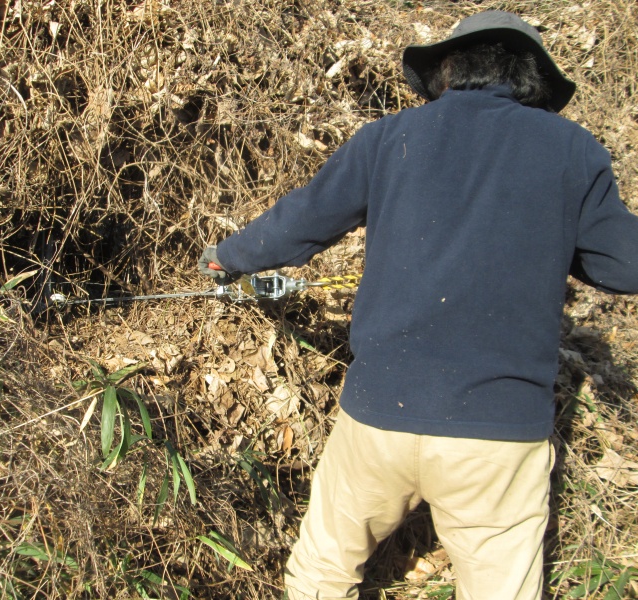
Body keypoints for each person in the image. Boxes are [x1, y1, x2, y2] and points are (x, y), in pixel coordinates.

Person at [198, 10, 638, 600]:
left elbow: (303, 221)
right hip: (498, 434)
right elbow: (624, 265)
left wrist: (228, 256)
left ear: (447, 69)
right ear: (531, 79)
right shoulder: (572, 152)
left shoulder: (389, 138)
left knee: (321, 575)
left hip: (380, 413)